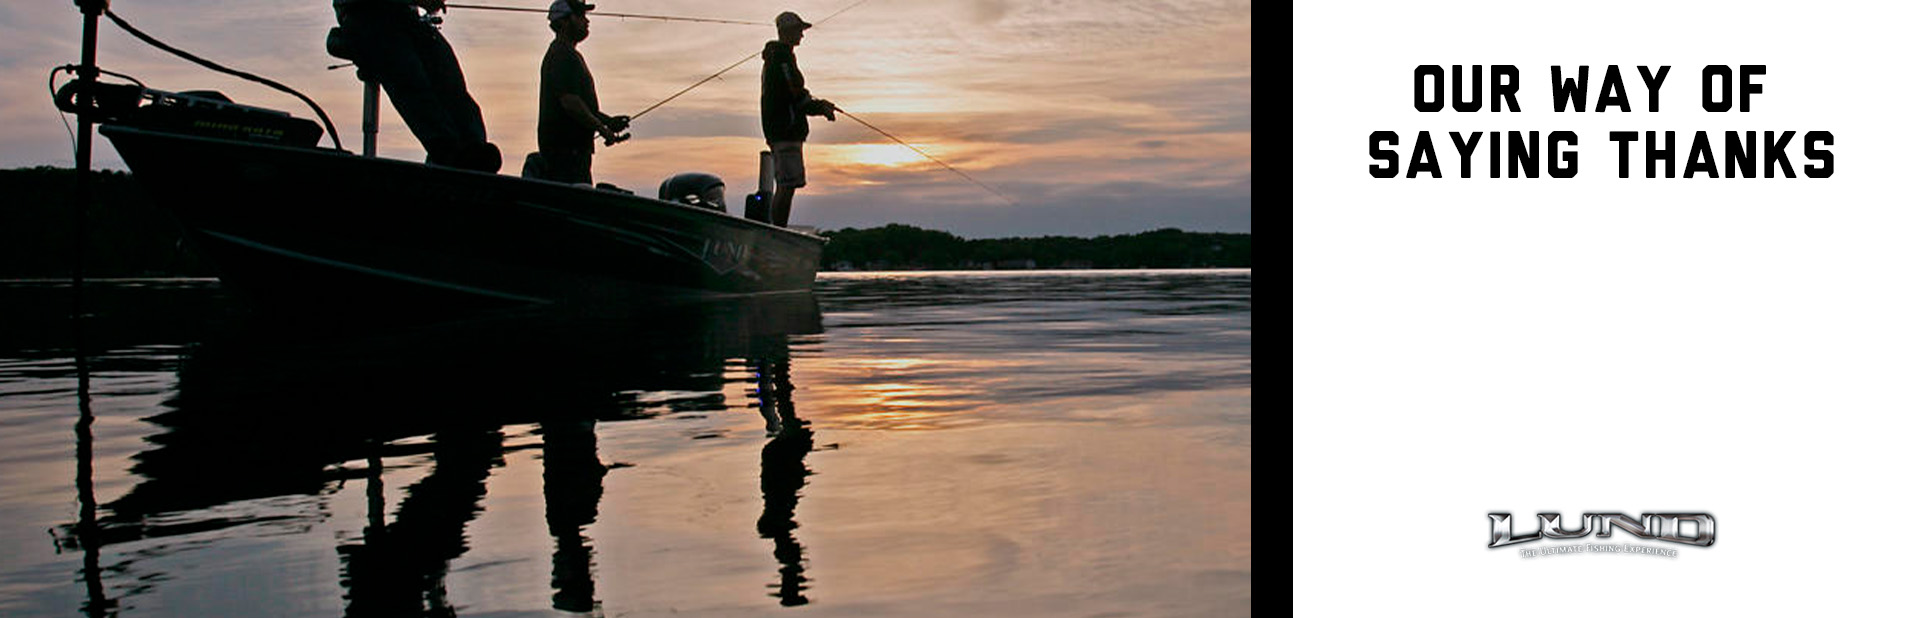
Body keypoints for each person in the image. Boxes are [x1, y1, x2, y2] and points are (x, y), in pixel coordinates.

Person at [331, 0, 500, 172]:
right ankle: (447, 153)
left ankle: (474, 149)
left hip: (406, 17)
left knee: (450, 80)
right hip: (364, 15)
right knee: (410, 78)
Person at [534, 0, 630, 185]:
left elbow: (579, 104)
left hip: (573, 152)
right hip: (565, 152)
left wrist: (608, 122)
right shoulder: (562, 55)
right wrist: (602, 129)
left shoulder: (568, 54)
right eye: (580, 16)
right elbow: (570, 102)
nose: (586, 21)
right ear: (563, 22)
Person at [759, 11, 836, 227]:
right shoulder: (782, 59)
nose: (802, 35)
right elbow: (795, 95)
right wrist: (821, 107)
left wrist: (820, 105)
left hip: (782, 131)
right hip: (785, 131)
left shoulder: (779, 57)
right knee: (787, 185)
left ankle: (776, 229)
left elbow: (794, 93)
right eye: (799, 30)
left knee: (786, 184)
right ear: (787, 31)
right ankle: (777, 232)